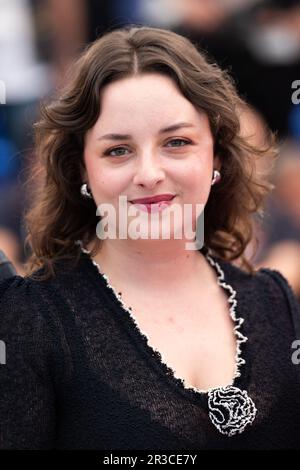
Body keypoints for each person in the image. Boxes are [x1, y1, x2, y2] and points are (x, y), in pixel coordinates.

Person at [0, 25, 300, 450]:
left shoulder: (275, 302)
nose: (149, 174)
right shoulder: (30, 319)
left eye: (176, 142)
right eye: (118, 150)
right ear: (82, 169)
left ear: (215, 154)